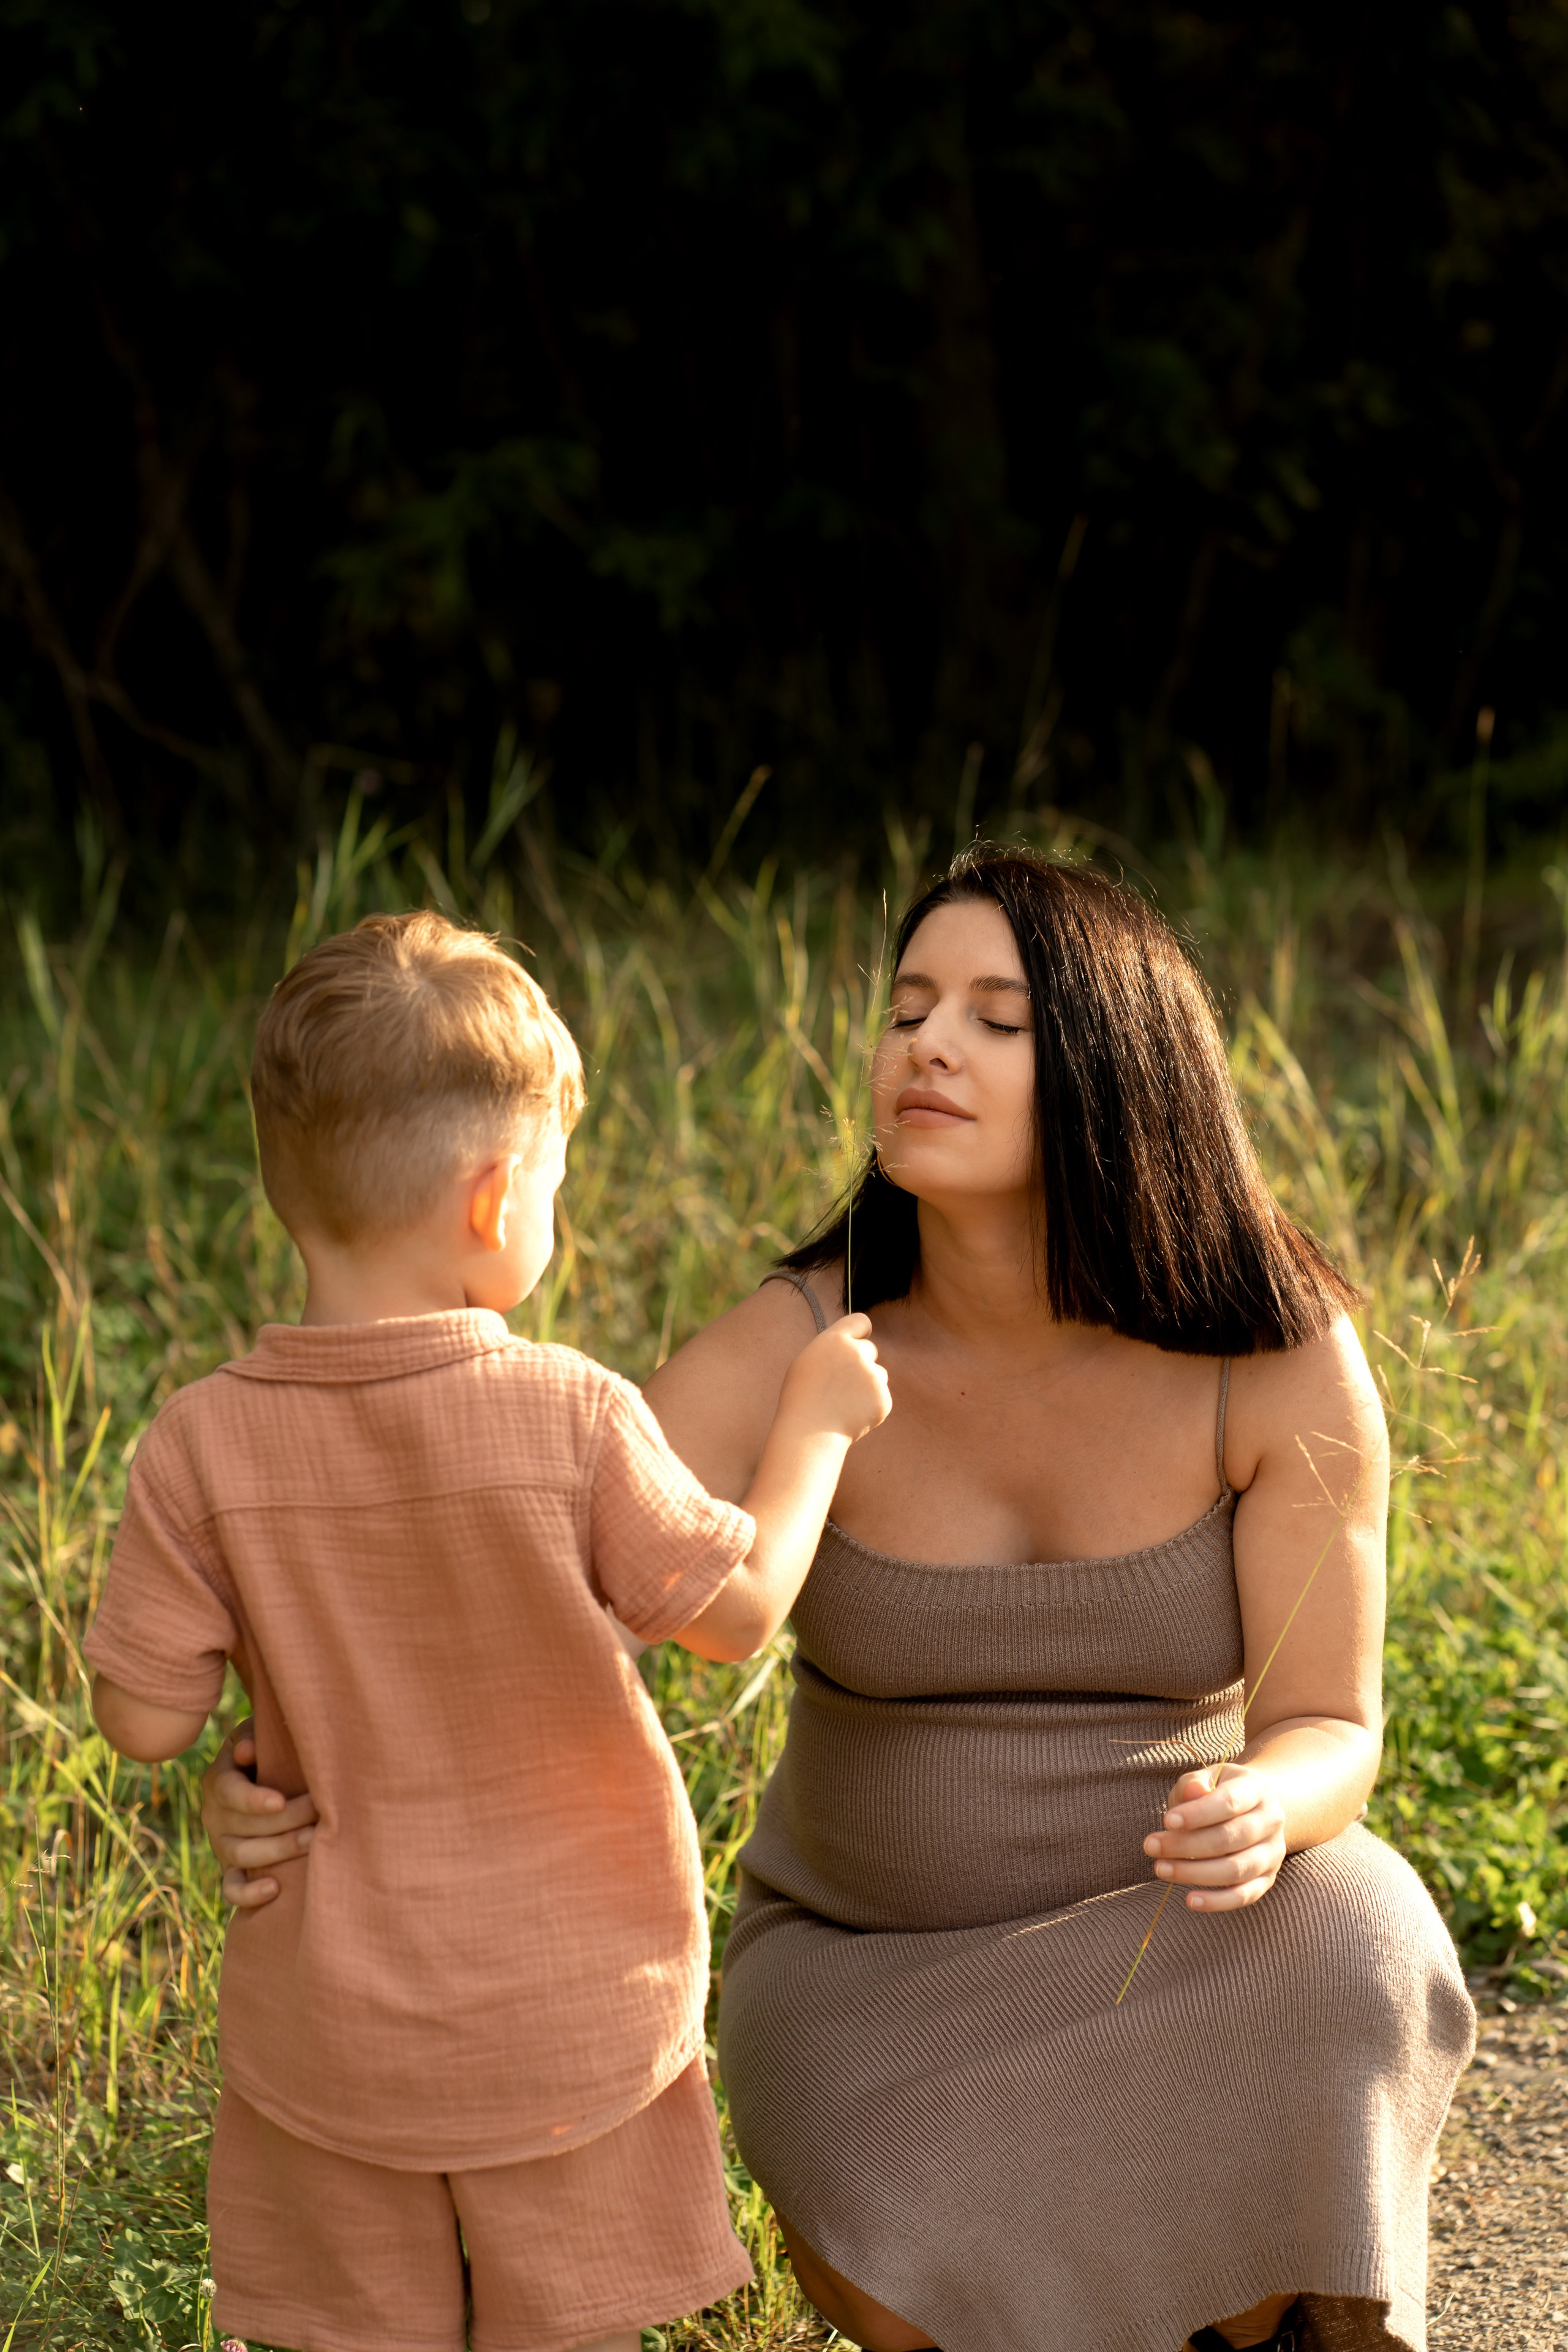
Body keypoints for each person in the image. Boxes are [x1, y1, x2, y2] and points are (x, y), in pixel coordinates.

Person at [205, 857, 1473, 2352]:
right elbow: (489, 1595)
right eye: (907, 1007)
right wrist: (281, 1772)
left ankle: (1258, 2309)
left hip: (1171, 1933)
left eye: (996, 1020)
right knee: (902, 2238)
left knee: (1361, 1942)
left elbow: (1329, 1720)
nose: (925, 1044)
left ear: (1119, 1070)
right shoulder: (797, 1344)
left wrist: (1269, 1796)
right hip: (873, 1979)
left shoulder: (1275, 1354)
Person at [86, 910, 889, 2352]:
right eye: (557, 1189)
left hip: (333, 2024)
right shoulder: (571, 1415)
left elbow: (144, 1717)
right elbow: (741, 1614)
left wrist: (231, 1770)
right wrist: (816, 1425)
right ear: (496, 1197)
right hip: (566, 2009)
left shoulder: (199, 1446)